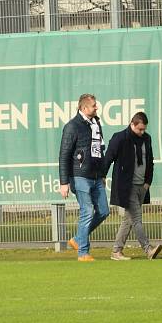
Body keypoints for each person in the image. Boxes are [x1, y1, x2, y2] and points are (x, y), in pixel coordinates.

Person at [104, 111, 162, 260]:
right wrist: (102, 175)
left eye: (144, 129)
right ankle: (148, 249)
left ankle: (116, 251)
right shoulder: (120, 138)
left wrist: (148, 182)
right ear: (132, 124)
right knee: (136, 218)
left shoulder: (147, 139)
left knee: (128, 220)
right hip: (126, 186)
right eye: (139, 129)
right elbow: (108, 157)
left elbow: (150, 161)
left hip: (141, 186)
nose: (142, 132)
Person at [59, 94, 110, 262]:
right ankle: (83, 253)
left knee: (103, 211)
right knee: (87, 211)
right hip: (79, 176)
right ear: (84, 108)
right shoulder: (72, 127)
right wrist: (64, 182)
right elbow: (64, 155)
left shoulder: (96, 123)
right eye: (94, 106)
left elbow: (99, 150)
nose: (96, 108)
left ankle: (77, 239)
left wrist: (102, 174)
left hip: (96, 176)